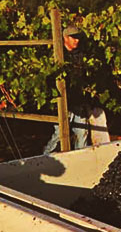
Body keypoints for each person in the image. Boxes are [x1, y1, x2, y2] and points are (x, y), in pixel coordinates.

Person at [43, 26, 111, 154]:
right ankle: (45, 157)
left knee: (82, 132)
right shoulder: (57, 55)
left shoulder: (81, 55)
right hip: (62, 103)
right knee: (60, 134)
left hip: (78, 102)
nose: (77, 41)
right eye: (73, 38)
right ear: (65, 38)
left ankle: (81, 158)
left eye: (78, 38)